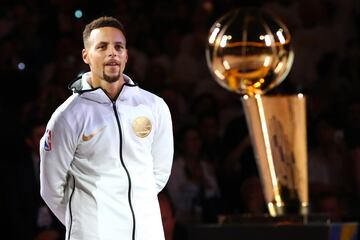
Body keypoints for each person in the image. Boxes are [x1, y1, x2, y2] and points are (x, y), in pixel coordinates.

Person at [39, 16, 174, 240]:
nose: (112, 53)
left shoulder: (154, 106)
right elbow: (51, 189)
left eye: (118, 47)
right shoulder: (67, 116)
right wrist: (84, 221)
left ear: (126, 55)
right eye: (102, 47)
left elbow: (158, 174)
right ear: (86, 56)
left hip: (146, 232)